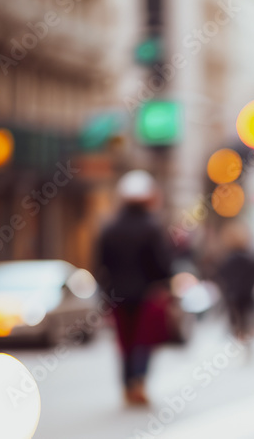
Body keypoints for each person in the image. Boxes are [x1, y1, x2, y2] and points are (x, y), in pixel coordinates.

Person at [96, 170, 173, 406]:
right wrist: (165, 283)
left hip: (117, 294)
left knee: (125, 341)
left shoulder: (109, 228)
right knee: (142, 340)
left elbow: (101, 263)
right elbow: (162, 263)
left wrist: (106, 290)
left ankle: (127, 383)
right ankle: (138, 381)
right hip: (146, 293)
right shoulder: (153, 228)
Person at [215, 221, 254, 343]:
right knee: (248, 320)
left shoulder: (227, 260)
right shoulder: (250, 258)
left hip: (232, 296)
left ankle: (239, 339)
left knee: (236, 321)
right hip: (247, 295)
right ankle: (245, 339)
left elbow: (222, 277)